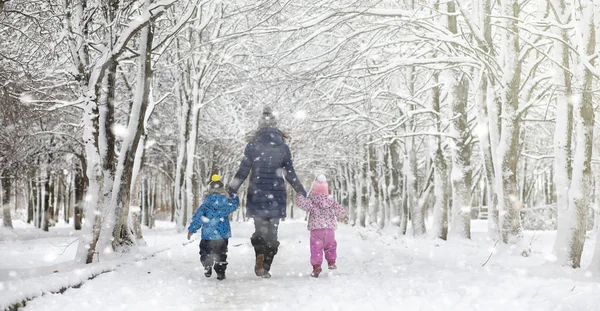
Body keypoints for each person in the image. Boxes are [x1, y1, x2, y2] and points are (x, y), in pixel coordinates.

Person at [228, 106, 307, 278]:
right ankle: (266, 266)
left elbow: (243, 170)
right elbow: (289, 173)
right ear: (276, 126)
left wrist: (231, 188)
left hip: (257, 195)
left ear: (259, 125)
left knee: (259, 231)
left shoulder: (252, 146)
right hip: (276, 196)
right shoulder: (283, 148)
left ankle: (259, 255)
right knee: (272, 234)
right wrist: (300, 190)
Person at [187, 174, 239, 281]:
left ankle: (207, 263)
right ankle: (220, 272)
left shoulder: (206, 204)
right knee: (221, 253)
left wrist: (192, 230)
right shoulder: (226, 203)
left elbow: (198, 218)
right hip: (222, 234)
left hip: (208, 234)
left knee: (205, 251)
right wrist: (233, 195)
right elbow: (234, 205)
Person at [295, 175, 348, 278]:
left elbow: (303, 204)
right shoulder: (331, 201)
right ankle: (331, 262)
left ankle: (317, 266)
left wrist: (299, 195)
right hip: (329, 230)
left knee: (316, 248)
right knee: (331, 246)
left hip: (316, 230)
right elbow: (340, 211)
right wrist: (344, 216)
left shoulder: (312, 201)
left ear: (314, 191)